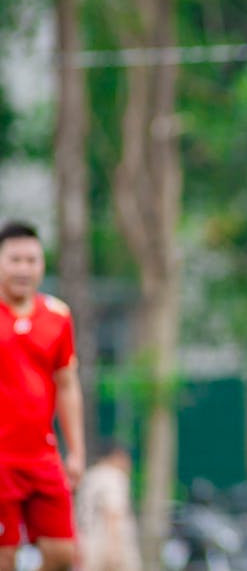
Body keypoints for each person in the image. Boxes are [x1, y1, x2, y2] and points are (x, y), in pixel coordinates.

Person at [0, 220, 85, 571]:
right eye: (14, 259)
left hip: (42, 457)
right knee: (5, 557)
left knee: (63, 553)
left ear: (42, 265)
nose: (23, 268)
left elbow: (67, 384)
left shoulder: (57, 316)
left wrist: (76, 451)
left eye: (31, 260)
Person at [76, 441, 141, 571]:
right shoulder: (113, 476)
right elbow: (112, 513)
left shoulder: (89, 476)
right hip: (107, 544)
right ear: (117, 456)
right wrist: (115, 551)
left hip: (86, 544)